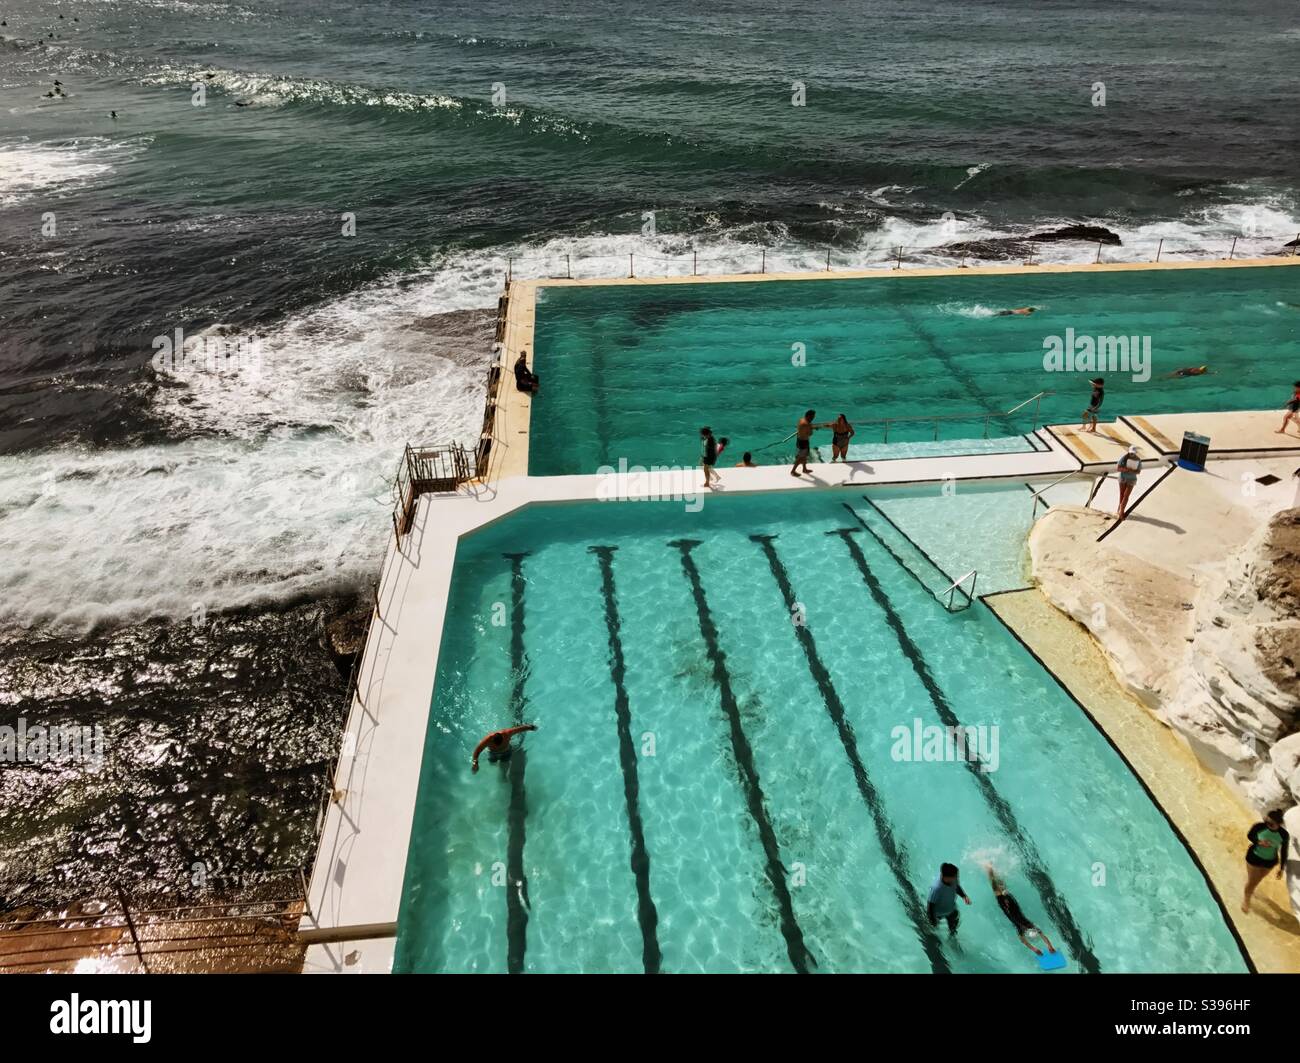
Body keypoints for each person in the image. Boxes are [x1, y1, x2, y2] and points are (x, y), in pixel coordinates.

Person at [984, 865, 1057, 957]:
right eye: (1029, 930)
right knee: (1002, 887)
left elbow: (1024, 942)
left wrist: (1035, 949)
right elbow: (1042, 935)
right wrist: (1049, 946)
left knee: (994, 885)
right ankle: (994, 869)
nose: (1026, 929)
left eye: (1027, 932)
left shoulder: (1019, 929)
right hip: (1011, 903)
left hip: (1004, 905)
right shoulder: (1029, 924)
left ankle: (989, 869)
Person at [1242, 809, 1290, 913]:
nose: (1267, 825)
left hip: (1270, 862)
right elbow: (1249, 835)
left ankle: (1249, 891)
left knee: (1256, 881)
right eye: (1266, 821)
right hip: (1254, 858)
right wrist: (1259, 842)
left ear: (1279, 824)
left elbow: (1284, 851)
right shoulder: (1259, 827)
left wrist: (1281, 868)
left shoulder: (1284, 835)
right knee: (1251, 882)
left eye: (1271, 824)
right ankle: (1246, 900)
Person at [926, 862, 972, 936]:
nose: (957, 877)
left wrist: (964, 896)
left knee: (953, 928)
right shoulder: (936, 888)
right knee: (934, 930)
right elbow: (930, 906)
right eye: (955, 876)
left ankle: (952, 937)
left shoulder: (953, 879)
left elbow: (956, 887)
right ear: (947, 878)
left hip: (951, 910)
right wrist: (933, 922)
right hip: (938, 913)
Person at [471, 724, 537, 773]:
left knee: (505, 763)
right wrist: (475, 762)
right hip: (493, 753)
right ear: (492, 740)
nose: (497, 747)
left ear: (503, 737)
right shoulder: (487, 740)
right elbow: (477, 750)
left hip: (506, 752)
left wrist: (531, 727)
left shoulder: (507, 733)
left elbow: (519, 729)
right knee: (492, 763)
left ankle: (503, 774)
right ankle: (497, 767)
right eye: (495, 745)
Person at [790, 409, 831, 477]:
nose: (813, 418)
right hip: (803, 442)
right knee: (800, 457)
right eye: (812, 417)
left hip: (799, 440)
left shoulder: (801, 420)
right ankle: (793, 471)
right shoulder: (807, 424)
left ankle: (804, 469)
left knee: (805, 456)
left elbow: (807, 428)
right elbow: (810, 433)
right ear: (809, 416)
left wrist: (812, 427)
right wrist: (812, 429)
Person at [1115, 445, 1141, 518]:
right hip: (1123, 477)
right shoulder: (1124, 458)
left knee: (1126, 496)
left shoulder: (1138, 460)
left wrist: (1132, 470)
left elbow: (1138, 471)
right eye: (1131, 453)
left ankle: (1121, 512)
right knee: (1122, 495)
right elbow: (1118, 468)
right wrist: (1126, 469)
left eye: (1133, 453)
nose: (1132, 454)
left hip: (1132, 479)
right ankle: (1120, 509)